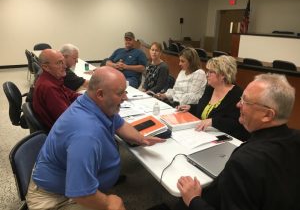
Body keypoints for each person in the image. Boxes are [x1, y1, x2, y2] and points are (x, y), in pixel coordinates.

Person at [26, 66, 165, 210]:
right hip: (54, 199)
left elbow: (119, 124)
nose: (125, 98)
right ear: (100, 95)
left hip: (68, 185)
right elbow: (81, 194)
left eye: (125, 91)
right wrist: (108, 202)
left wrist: (141, 139)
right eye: (120, 93)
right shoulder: (86, 135)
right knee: (115, 205)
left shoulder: (93, 104)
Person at [177, 73, 300, 210]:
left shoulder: (245, 162)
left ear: (267, 115)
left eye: (245, 101)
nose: (238, 104)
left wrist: (193, 200)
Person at [177, 55, 249, 141]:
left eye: (211, 72)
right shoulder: (210, 88)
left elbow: (236, 123)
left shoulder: (236, 94)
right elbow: (205, 110)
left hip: (225, 139)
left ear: (223, 75)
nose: (207, 75)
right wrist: (191, 107)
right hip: (203, 134)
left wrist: (213, 122)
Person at [32, 49, 80, 131]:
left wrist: (89, 97)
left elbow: (70, 94)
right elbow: (67, 119)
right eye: (59, 63)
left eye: (63, 61)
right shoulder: (49, 88)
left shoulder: (53, 79)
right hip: (59, 131)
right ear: (46, 67)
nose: (65, 66)